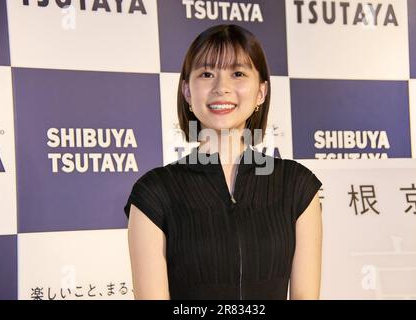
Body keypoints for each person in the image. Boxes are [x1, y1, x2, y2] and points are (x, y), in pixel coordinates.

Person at [124, 24, 323, 300]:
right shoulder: (153, 192)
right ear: (187, 91)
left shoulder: (298, 186)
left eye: (238, 73)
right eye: (207, 74)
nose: (221, 88)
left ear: (261, 92)